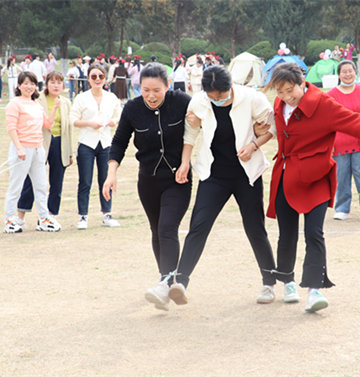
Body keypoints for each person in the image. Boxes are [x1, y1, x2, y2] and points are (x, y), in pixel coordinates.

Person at [258, 62, 360, 312]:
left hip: (316, 177)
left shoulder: (323, 104)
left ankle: (315, 290)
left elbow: (356, 122)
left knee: (314, 233)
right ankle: (287, 280)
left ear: (302, 83)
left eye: (291, 90)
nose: (286, 97)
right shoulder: (279, 104)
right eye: (280, 92)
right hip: (286, 177)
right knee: (286, 234)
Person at [166, 65, 278, 307]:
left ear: (230, 87)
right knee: (198, 225)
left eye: (222, 95)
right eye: (213, 96)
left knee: (255, 228)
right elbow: (190, 134)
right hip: (213, 174)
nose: (218, 99)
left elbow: (272, 128)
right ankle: (180, 282)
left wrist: (254, 145)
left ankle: (269, 282)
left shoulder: (252, 98)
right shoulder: (199, 101)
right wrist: (185, 162)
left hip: (246, 174)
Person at [102, 63, 192, 311]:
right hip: (148, 180)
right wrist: (111, 174)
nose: (151, 96)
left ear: (168, 86)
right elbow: (119, 141)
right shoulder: (132, 108)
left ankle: (165, 284)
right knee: (156, 230)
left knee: (167, 227)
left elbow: (201, 126)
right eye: (145, 90)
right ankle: (167, 282)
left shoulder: (183, 102)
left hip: (178, 179)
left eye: (157, 90)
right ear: (138, 87)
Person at [3, 72, 61, 233]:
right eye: (26, 83)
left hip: (38, 149)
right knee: (16, 185)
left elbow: (47, 124)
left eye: (32, 84)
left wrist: (55, 108)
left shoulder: (36, 104)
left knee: (41, 185)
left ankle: (43, 218)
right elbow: (11, 128)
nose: (29, 87)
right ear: (19, 85)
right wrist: (19, 148)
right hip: (22, 149)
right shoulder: (15, 104)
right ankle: (9, 219)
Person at [15, 71, 74, 228]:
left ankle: (49, 216)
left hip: (60, 143)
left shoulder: (66, 102)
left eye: (59, 82)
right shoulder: (37, 99)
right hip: (39, 143)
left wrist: (69, 152)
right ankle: (21, 215)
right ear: (46, 83)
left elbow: (68, 129)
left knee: (57, 182)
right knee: (31, 181)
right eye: (52, 82)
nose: (56, 85)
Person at [70, 64, 122, 230]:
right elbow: (73, 120)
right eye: (93, 76)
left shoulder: (111, 97)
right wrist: (89, 123)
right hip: (87, 143)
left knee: (105, 180)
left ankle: (107, 213)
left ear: (105, 79)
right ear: (88, 79)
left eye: (100, 76)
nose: (97, 79)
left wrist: (114, 121)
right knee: (85, 180)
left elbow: (119, 115)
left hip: (106, 143)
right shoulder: (81, 98)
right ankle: (83, 216)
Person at [327, 60, 360, 221]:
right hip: (339, 143)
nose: (348, 74)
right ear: (339, 74)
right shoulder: (331, 95)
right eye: (344, 71)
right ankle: (342, 208)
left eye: (350, 71)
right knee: (341, 177)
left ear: (355, 72)